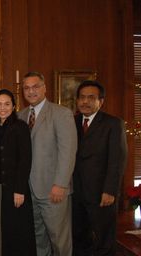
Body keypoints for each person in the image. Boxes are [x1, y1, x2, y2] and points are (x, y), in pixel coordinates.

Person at [17, 72, 77, 256]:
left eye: (35, 86)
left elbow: (68, 152)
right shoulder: (20, 116)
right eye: (26, 88)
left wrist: (60, 184)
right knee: (37, 239)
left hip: (53, 190)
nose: (31, 91)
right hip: (29, 191)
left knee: (59, 240)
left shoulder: (61, 114)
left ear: (44, 88)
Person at [72, 80, 127, 256]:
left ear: (101, 101)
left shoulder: (113, 124)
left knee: (104, 242)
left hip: (102, 193)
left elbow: (117, 160)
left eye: (91, 98)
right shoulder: (71, 121)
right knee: (78, 239)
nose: (85, 102)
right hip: (76, 193)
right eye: (81, 97)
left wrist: (110, 190)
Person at [0, 89, 36, 256]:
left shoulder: (21, 127)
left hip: (15, 189)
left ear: (14, 106)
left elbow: (25, 160)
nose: (3, 108)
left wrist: (20, 189)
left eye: (7, 104)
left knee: (16, 232)